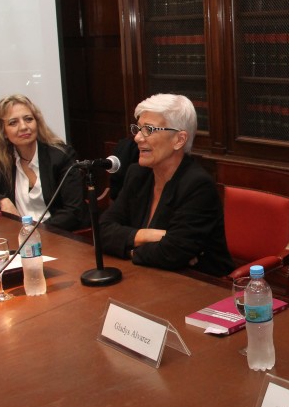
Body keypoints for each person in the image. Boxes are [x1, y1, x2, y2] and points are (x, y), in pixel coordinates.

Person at [99, 93, 234, 277]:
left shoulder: (198, 185)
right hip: (147, 277)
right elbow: (103, 230)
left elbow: (172, 253)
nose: (138, 138)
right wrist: (149, 236)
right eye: (138, 129)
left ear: (179, 140)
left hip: (200, 285)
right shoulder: (137, 174)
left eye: (149, 129)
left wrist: (129, 247)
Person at [0, 95, 89, 231]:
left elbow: (73, 212)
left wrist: (36, 232)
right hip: (19, 236)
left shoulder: (61, 156)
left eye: (28, 119)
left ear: (37, 123)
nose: (24, 127)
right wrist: (1, 201)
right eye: (13, 123)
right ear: (4, 132)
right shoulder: (2, 157)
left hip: (58, 235)